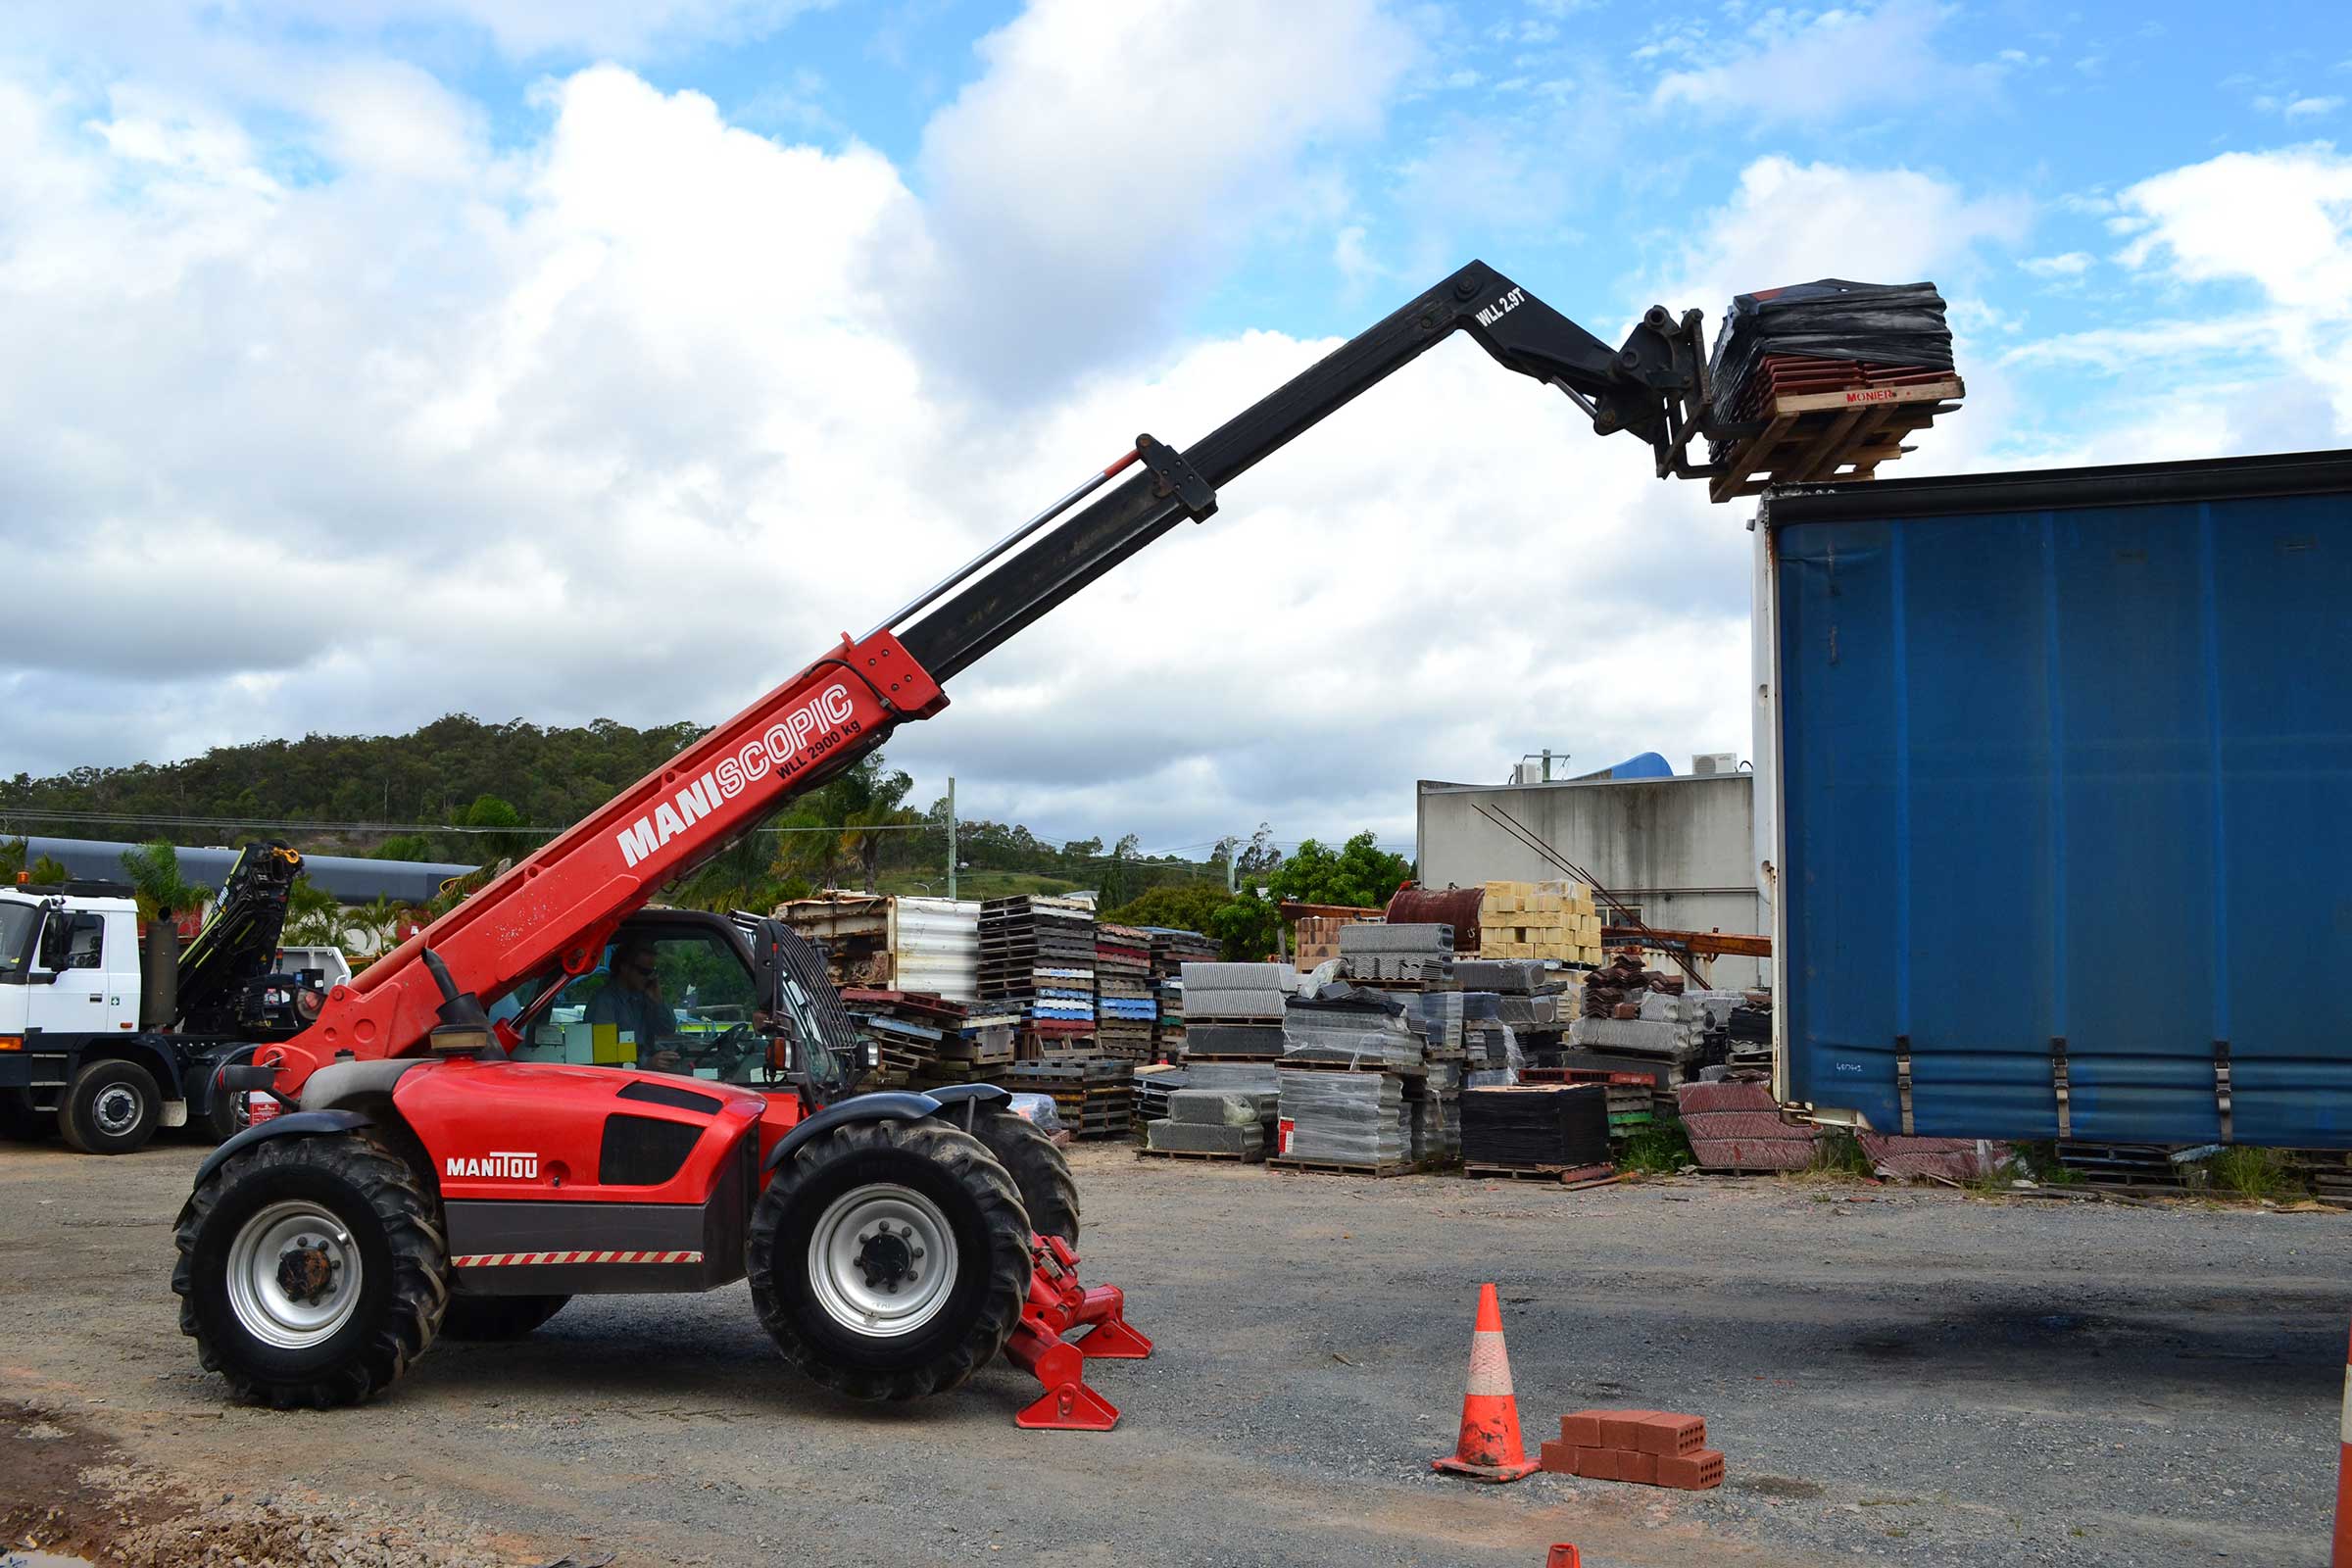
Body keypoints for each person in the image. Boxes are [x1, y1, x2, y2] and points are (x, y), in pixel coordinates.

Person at [587, 938, 682, 1071]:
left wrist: (658, 1001)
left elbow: (667, 1029)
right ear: (624, 968)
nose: (649, 977)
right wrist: (647, 1065)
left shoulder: (645, 996)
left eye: (652, 972)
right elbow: (605, 1058)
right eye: (644, 972)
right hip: (620, 1078)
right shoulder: (604, 1004)